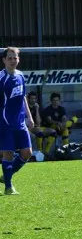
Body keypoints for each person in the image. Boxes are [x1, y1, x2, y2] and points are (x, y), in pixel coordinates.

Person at [0, 47, 34, 195]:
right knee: (8, 153)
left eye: (15, 58)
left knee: (27, 153)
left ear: (18, 59)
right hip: (5, 122)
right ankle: (8, 187)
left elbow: (23, 97)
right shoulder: (1, 78)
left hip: (20, 122)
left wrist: (29, 117)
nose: (13, 61)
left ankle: (6, 175)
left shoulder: (20, 75)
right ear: (4, 60)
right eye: (10, 58)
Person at [27, 91, 56, 155]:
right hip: (28, 128)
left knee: (53, 132)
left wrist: (37, 109)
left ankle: (46, 151)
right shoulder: (25, 108)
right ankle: (40, 151)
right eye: (31, 98)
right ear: (28, 99)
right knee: (39, 131)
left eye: (34, 98)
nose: (33, 100)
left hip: (37, 127)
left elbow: (38, 123)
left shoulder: (37, 107)